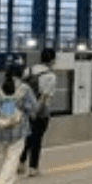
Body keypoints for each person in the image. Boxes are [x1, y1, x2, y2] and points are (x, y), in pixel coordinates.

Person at [0, 65, 37, 184]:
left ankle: (10, 183)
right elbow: (33, 107)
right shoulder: (25, 89)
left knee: (6, 158)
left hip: (2, 128)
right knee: (13, 158)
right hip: (18, 128)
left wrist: (6, 111)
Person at [21, 48, 57, 177]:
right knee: (37, 138)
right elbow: (45, 96)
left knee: (27, 136)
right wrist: (37, 110)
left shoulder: (28, 70)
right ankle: (33, 167)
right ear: (52, 60)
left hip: (25, 108)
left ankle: (20, 162)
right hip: (40, 110)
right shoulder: (51, 76)